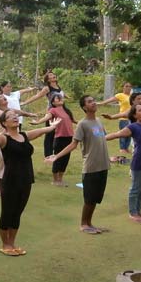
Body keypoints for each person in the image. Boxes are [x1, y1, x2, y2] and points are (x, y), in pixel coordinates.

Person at [0, 111, 60, 255]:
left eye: (15, 115)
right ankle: (5, 244)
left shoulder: (25, 136)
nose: (14, 117)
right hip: (11, 181)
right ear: (4, 123)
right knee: (7, 213)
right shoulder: (3, 139)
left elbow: (41, 131)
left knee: (18, 213)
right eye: (10, 117)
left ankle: (12, 243)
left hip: (26, 180)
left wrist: (52, 126)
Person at [46, 95, 111, 235]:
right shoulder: (83, 124)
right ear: (84, 107)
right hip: (91, 167)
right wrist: (56, 156)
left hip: (103, 165)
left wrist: (110, 157)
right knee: (89, 198)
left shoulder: (99, 121)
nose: (93, 102)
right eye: (89, 102)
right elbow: (73, 144)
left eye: (93, 100)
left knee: (96, 198)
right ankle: (83, 224)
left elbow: (102, 140)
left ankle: (90, 223)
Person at [105, 104, 141, 223]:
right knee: (136, 189)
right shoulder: (133, 127)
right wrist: (99, 139)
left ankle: (139, 211)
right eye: (140, 110)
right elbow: (116, 135)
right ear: (135, 115)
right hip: (140, 163)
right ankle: (133, 213)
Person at [0, 93, 37, 195]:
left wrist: (31, 115)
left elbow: (21, 112)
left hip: (15, 141)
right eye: (1, 98)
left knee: (12, 165)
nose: (4, 98)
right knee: (3, 165)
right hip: (4, 141)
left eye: (4, 97)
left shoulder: (11, 111)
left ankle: (12, 186)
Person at [22, 71, 71, 158]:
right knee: (50, 132)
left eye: (53, 75)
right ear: (48, 80)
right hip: (52, 111)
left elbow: (61, 93)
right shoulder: (47, 88)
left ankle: (57, 151)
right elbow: (37, 96)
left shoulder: (57, 86)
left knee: (59, 131)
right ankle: (48, 154)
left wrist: (67, 97)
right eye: (51, 76)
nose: (53, 76)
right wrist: (24, 103)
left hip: (61, 110)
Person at [34, 93, 76, 186]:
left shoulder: (67, 111)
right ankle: (55, 180)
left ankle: (60, 179)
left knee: (66, 158)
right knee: (58, 158)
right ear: (53, 102)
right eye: (57, 98)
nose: (60, 99)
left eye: (60, 97)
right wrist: (37, 122)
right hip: (59, 138)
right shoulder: (53, 110)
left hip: (69, 137)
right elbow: (47, 117)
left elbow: (74, 121)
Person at [97, 81, 133, 154]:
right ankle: (122, 148)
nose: (128, 88)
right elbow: (110, 100)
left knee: (130, 133)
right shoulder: (120, 95)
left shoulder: (132, 96)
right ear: (123, 87)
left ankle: (126, 148)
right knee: (123, 133)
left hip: (131, 117)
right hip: (123, 118)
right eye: (126, 86)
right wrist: (101, 103)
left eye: (129, 86)